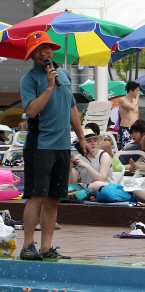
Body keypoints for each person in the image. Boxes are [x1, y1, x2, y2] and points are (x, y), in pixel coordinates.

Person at [19, 31, 90, 260]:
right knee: (37, 196)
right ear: (32, 56)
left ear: (52, 49)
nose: (43, 53)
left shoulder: (63, 74)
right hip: (39, 145)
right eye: (38, 50)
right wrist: (49, 87)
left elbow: (72, 108)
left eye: (46, 47)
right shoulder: (29, 79)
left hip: (62, 145)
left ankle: (46, 247)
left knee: (53, 198)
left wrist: (80, 137)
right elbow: (30, 111)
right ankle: (27, 245)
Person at [69, 129, 116, 199]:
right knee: (66, 187)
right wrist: (70, 169)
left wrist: (86, 165)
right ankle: (89, 194)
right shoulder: (79, 157)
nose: (93, 143)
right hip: (88, 189)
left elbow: (102, 179)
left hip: (105, 188)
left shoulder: (104, 156)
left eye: (94, 140)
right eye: (89, 141)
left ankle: (88, 193)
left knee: (96, 185)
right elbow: (73, 182)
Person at [117, 81, 140, 150]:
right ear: (130, 91)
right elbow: (131, 107)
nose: (138, 93)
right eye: (136, 91)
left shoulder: (134, 102)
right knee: (123, 149)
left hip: (134, 129)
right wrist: (137, 98)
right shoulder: (122, 100)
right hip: (125, 128)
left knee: (134, 149)